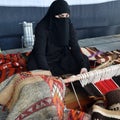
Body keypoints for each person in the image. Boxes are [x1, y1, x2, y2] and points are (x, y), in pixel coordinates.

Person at [27, 0, 90, 76]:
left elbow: (74, 46)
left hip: (62, 56)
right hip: (46, 58)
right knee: (34, 65)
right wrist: (46, 71)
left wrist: (83, 66)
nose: (64, 19)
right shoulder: (42, 27)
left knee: (84, 61)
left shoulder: (68, 25)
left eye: (66, 16)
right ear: (53, 14)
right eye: (61, 16)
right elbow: (40, 53)